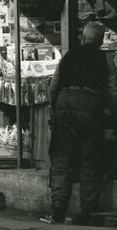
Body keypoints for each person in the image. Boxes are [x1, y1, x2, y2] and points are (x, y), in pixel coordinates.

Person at [49, 22, 117, 224]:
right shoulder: (106, 60)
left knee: (62, 157)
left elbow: (54, 85)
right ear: (101, 40)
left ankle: (59, 204)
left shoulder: (68, 56)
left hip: (64, 103)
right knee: (90, 159)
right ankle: (89, 209)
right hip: (90, 107)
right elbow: (113, 91)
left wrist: (55, 109)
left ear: (83, 37)